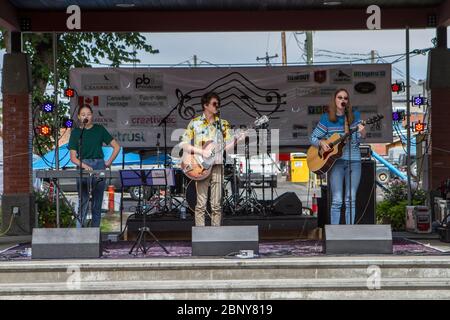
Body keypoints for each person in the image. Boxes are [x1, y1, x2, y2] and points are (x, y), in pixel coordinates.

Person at [181, 92, 242, 227]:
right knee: (200, 204)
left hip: (217, 165)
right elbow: (183, 144)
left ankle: (215, 235)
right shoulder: (195, 123)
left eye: (218, 103)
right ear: (205, 105)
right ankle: (201, 235)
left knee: (216, 205)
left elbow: (227, 147)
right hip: (200, 166)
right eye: (214, 103)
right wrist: (202, 151)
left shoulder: (223, 124)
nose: (217, 106)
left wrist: (237, 139)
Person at [310, 88, 366, 224]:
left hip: (354, 160)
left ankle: (349, 232)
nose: (343, 100)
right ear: (335, 100)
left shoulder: (354, 116)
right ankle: (335, 233)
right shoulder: (327, 118)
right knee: (337, 200)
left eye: (345, 98)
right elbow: (313, 138)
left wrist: (363, 133)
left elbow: (359, 139)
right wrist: (322, 142)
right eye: (340, 98)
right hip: (336, 162)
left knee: (351, 199)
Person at [68, 105, 120, 228]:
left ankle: (95, 235)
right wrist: (85, 166)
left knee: (97, 203)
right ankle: (79, 235)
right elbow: (73, 157)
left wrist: (108, 162)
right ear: (79, 117)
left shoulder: (99, 129)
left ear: (92, 115)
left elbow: (116, 147)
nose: (86, 116)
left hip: (98, 164)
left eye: (88, 114)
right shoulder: (76, 133)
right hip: (82, 165)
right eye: (83, 114)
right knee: (84, 201)